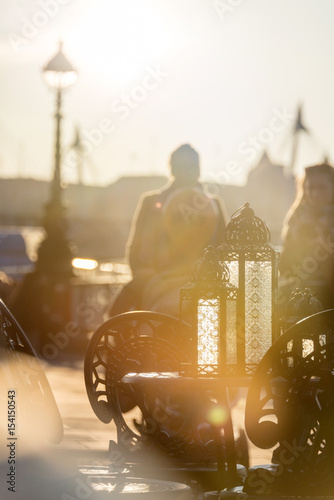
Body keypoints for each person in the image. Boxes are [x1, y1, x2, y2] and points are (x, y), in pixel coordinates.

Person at [108, 143, 228, 318]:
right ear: (172, 169)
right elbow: (135, 252)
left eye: (190, 168)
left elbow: (224, 251)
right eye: (182, 167)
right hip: (158, 286)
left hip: (201, 289)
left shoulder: (213, 205)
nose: (186, 173)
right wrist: (148, 279)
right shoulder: (151, 202)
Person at [279, 162, 334, 310]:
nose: (315, 193)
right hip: (299, 295)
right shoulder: (296, 218)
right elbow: (285, 262)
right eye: (311, 188)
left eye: (322, 188)